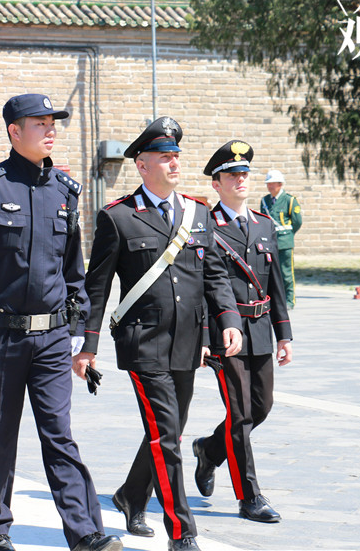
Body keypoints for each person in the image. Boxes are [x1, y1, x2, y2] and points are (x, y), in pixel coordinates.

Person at [0, 93, 122, 551]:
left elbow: (74, 271)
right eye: (39, 122)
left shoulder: (64, 191)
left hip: (51, 338)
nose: (50, 130)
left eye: (53, 122)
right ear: (14, 131)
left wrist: (84, 337)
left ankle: (85, 533)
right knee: (1, 434)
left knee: (58, 433)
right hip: (3, 336)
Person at [77, 116, 242, 551]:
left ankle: (131, 495)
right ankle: (182, 531)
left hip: (189, 343)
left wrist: (227, 321)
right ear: (141, 165)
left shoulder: (198, 213)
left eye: (176, 157)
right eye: (164, 157)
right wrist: (87, 345)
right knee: (167, 435)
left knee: (168, 429)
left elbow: (213, 276)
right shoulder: (119, 217)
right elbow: (97, 288)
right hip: (143, 342)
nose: (174, 164)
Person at [191, 141, 294, 525]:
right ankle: (249, 496)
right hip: (224, 333)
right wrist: (203, 339)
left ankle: (209, 450)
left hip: (261, 329)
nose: (240, 179)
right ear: (216, 184)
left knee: (261, 407)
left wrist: (283, 333)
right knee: (240, 413)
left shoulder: (263, 223)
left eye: (244, 173)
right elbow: (200, 288)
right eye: (232, 175)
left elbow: (276, 282)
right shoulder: (205, 227)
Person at [259, 169, 302, 308]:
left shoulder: (290, 200)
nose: (270, 186)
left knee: (286, 273)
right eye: (268, 184)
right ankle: (276, 300)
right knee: (271, 273)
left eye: (272, 183)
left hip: (285, 242)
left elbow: (297, 222)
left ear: (280, 184)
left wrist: (288, 236)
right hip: (270, 242)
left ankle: (289, 300)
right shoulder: (264, 201)